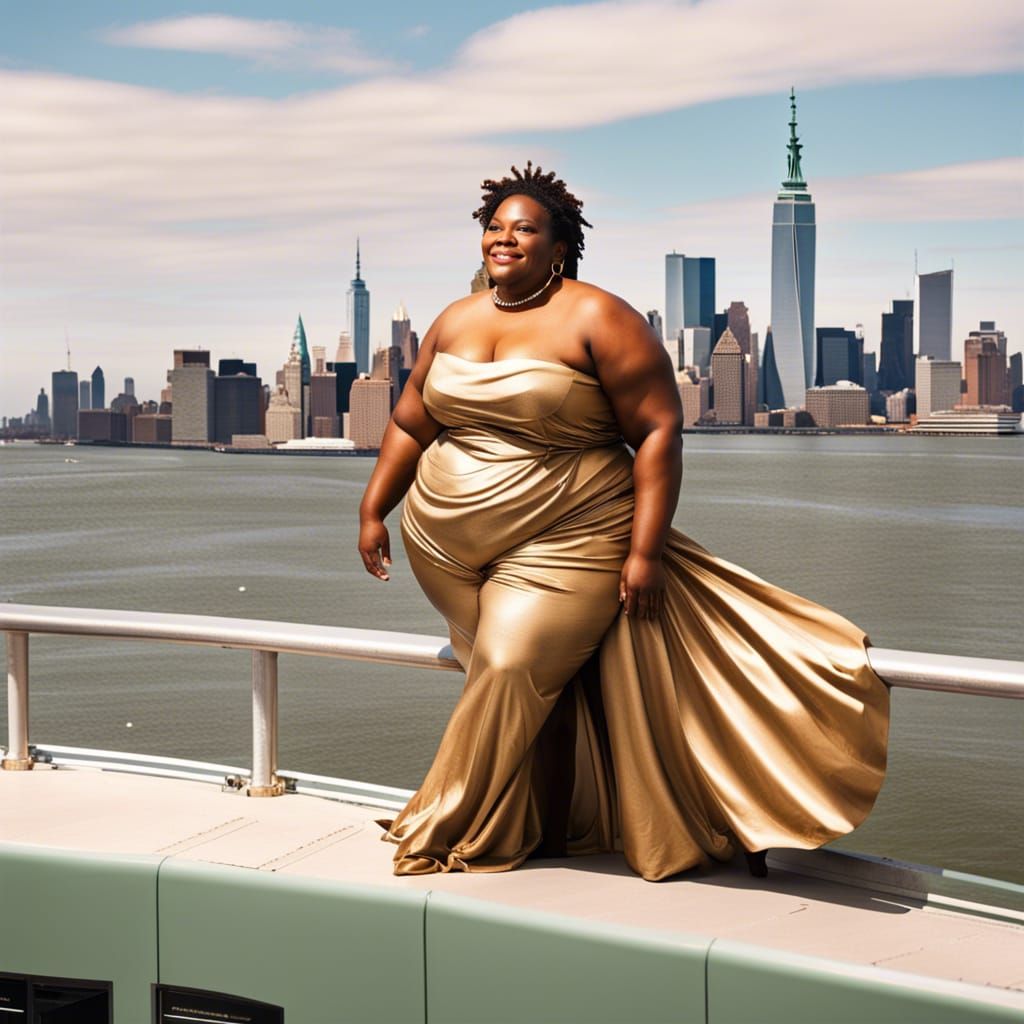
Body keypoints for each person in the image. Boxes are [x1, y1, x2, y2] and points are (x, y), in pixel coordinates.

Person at [357, 161, 889, 882]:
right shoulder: (455, 317)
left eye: (525, 228)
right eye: (495, 227)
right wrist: (373, 508)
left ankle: (452, 820)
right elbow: (412, 420)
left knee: (511, 668)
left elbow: (660, 432)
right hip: (446, 546)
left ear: (560, 246)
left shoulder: (602, 317)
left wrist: (644, 553)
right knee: (525, 688)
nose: (504, 238)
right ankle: (538, 827)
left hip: (571, 535)